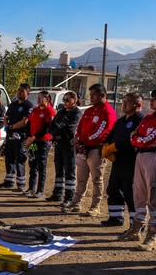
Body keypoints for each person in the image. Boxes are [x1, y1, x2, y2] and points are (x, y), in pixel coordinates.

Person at [121, 86, 156, 251]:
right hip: (142, 156)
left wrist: (141, 140)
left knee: (155, 197)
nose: (151, 101)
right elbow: (135, 137)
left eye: (155, 98)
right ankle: (136, 229)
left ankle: (152, 236)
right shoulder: (149, 117)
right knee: (139, 194)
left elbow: (144, 139)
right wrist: (141, 140)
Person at [62, 84, 116, 216]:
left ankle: (95, 207)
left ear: (102, 95)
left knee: (97, 179)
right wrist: (77, 140)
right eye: (90, 95)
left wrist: (84, 142)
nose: (90, 97)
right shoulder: (89, 111)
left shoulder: (107, 112)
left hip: (97, 150)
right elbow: (80, 128)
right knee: (81, 178)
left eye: (93, 95)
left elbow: (102, 132)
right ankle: (76, 203)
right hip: (83, 149)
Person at [100, 92, 145, 227]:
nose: (124, 103)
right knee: (113, 189)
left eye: (128, 101)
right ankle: (115, 218)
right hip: (118, 162)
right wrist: (106, 147)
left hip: (132, 162)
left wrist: (115, 146)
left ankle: (135, 224)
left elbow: (132, 140)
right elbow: (110, 137)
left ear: (138, 104)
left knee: (130, 193)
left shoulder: (141, 120)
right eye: (124, 100)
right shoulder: (120, 121)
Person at [46, 91, 82, 205]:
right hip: (59, 144)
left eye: (68, 100)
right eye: (64, 100)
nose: (65, 102)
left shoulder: (76, 113)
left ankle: (69, 196)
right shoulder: (61, 112)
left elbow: (70, 128)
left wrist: (57, 132)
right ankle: (57, 194)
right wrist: (54, 134)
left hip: (69, 145)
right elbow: (52, 126)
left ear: (74, 100)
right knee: (59, 170)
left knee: (69, 171)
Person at [0, 83, 34, 191]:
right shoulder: (13, 105)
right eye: (18, 91)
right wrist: (7, 126)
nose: (19, 93)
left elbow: (25, 121)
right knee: (9, 158)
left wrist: (12, 126)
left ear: (28, 93)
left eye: (22, 91)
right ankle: (9, 181)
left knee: (20, 159)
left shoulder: (29, 106)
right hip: (11, 135)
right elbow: (6, 117)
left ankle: (21, 184)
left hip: (21, 136)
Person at [24, 90, 56, 198]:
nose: (38, 99)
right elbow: (28, 124)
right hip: (33, 142)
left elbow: (47, 128)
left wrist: (34, 137)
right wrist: (29, 137)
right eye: (38, 97)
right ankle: (31, 188)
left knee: (41, 165)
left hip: (43, 142)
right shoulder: (35, 110)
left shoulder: (49, 111)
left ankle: (40, 190)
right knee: (32, 163)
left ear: (47, 99)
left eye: (41, 97)